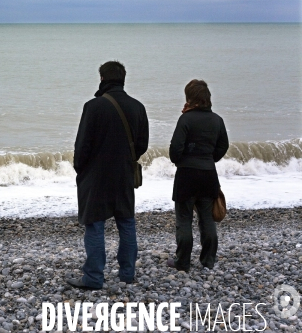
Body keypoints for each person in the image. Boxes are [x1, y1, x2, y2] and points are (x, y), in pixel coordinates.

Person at [68, 61, 149, 290]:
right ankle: (127, 274)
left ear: (102, 79)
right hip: (124, 174)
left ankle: (93, 277)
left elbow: (82, 145)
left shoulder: (93, 107)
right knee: (126, 222)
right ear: (123, 79)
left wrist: (80, 168)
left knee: (94, 225)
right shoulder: (138, 107)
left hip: (96, 176)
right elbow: (142, 145)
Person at [167, 79, 229, 271]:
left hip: (187, 174)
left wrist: (182, 161)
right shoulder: (217, 120)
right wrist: (209, 159)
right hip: (208, 174)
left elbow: (174, 150)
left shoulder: (185, 119)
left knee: (184, 219)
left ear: (189, 98)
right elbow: (223, 146)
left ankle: (183, 262)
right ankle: (208, 260)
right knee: (207, 218)